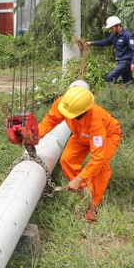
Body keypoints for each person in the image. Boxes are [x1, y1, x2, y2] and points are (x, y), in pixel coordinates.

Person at [37, 81, 122, 223]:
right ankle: (84, 191)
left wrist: (79, 178)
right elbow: (51, 119)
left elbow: (98, 158)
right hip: (80, 134)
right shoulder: (65, 103)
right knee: (66, 159)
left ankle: (94, 204)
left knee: (101, 167)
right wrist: (36, 135)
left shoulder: (96, 123)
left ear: (83, 112)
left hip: (107, 135)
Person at [84, 15, 134, 85]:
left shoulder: (127, 36)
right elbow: (104, 42)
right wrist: (91, 43)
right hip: (121, 62)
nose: (111, 30)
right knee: (129, 83)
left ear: (117, 25)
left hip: (126, 62)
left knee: (111, 77)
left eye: (111, 28)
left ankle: (110, 95)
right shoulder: (114, 36)